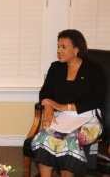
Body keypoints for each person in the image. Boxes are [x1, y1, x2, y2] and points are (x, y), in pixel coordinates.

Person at [31, 29, 106, 177]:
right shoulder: (56, 68)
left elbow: (97, 99)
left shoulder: (94, 69)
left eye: (63, 47)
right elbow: (45, 92)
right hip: (63, 116)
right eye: (58, 46)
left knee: (69, 143)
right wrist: (48, 107)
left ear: (76, 49)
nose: (59, 50)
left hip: (88, 117)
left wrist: (63, 106)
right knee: (43, 138)